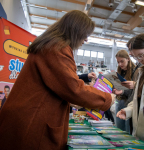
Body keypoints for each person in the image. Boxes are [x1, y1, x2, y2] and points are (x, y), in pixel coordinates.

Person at [0, 10, 115, 150]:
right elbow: (74, 88)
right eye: (85, 35)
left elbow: (57, 86)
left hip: (27, 118)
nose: (86, 40)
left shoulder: (52, 45)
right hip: (31, 123)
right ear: (75, 31)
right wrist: (107, 98)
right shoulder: (56, 49)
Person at [112, 50, 136, 133]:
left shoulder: (135, 72)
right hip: (119, 101)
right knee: (119, 128)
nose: (120, 64)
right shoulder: (119, 71)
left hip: (129, 104)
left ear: (128, 59)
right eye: (118, 62)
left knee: (127, 130)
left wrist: (122, 92)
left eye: (122, 61)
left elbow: (134, 92)